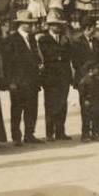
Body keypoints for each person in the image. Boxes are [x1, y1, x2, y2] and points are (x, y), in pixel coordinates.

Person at [2, 9, 43, 146]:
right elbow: (7, 63)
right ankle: (16, 136)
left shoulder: (31, 39)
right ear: (22, 24)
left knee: (31, 108)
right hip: (18, 82)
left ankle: (29, 134)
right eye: (29, 23)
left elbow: (35, 56)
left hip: (31, 80)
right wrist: (10, 82)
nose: (32, 26)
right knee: (17, 110)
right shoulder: (11, 40)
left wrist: (38, 64)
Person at [37, 10, 74, 141]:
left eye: (58, 25)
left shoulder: (65, 39)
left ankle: (60, 131)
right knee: (50, 104)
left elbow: (69, 56)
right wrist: (59, 56)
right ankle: (49, 132)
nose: (57, 27)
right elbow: (48, 56)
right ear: (49, 26)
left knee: (63, 103)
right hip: (50, 77)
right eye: (54, 24)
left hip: (63, 75)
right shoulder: (44, 40)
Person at [71, 15, 99, 140]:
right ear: (87, 28)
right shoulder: (77, 42)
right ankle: (85, 132)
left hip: (98, 79)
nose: (95, 30)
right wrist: (90, 71)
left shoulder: (96, 41)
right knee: (86, 106)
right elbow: (76, 62)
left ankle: (96, 130)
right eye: (93, 27)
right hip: (84, 80)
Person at [77, 61, 99, 142]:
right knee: (86, 119)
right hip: (88, 102)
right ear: (90, 70)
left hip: (97, 101)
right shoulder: (84, 81)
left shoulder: (98, 80)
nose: (97, 70)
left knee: (98, 115)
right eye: (95, 69)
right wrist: (85, 101)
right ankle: (85, 134)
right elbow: (82, 94)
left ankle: (96, 131)